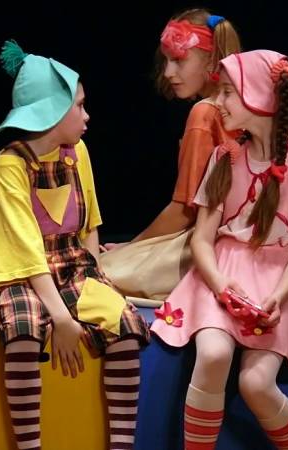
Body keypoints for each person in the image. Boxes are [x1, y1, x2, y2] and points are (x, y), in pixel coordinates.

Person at [151, 49, 288, 449]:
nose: (218, 102)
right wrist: (221, 286)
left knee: (256, 383)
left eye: (228, 92)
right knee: (213, 355)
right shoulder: (225, 156)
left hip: (278, 281)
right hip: (222, 273)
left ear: (260, 96)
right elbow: (203, 239)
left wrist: (277, 297)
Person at [0, 40, 150, 450]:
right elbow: (25, 253)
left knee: (126, 326)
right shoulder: (10, 165)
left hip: (73, 267)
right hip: (24, 275)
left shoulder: (78, 152)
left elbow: (90, 224)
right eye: (79, 106)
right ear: (54, 112)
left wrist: (98, 281)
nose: (87, 115)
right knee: (24, 332)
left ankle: (121, 445)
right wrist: (61, 318)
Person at [100, 9, 242, 306]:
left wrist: (131, 248)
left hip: (207, 249)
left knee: (98, 272)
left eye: (178, 60)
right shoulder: (243, 109)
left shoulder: (205, 113)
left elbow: (185, 211)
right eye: (166, 61)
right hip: (239, 246)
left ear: (212, 60)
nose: (167, 72)